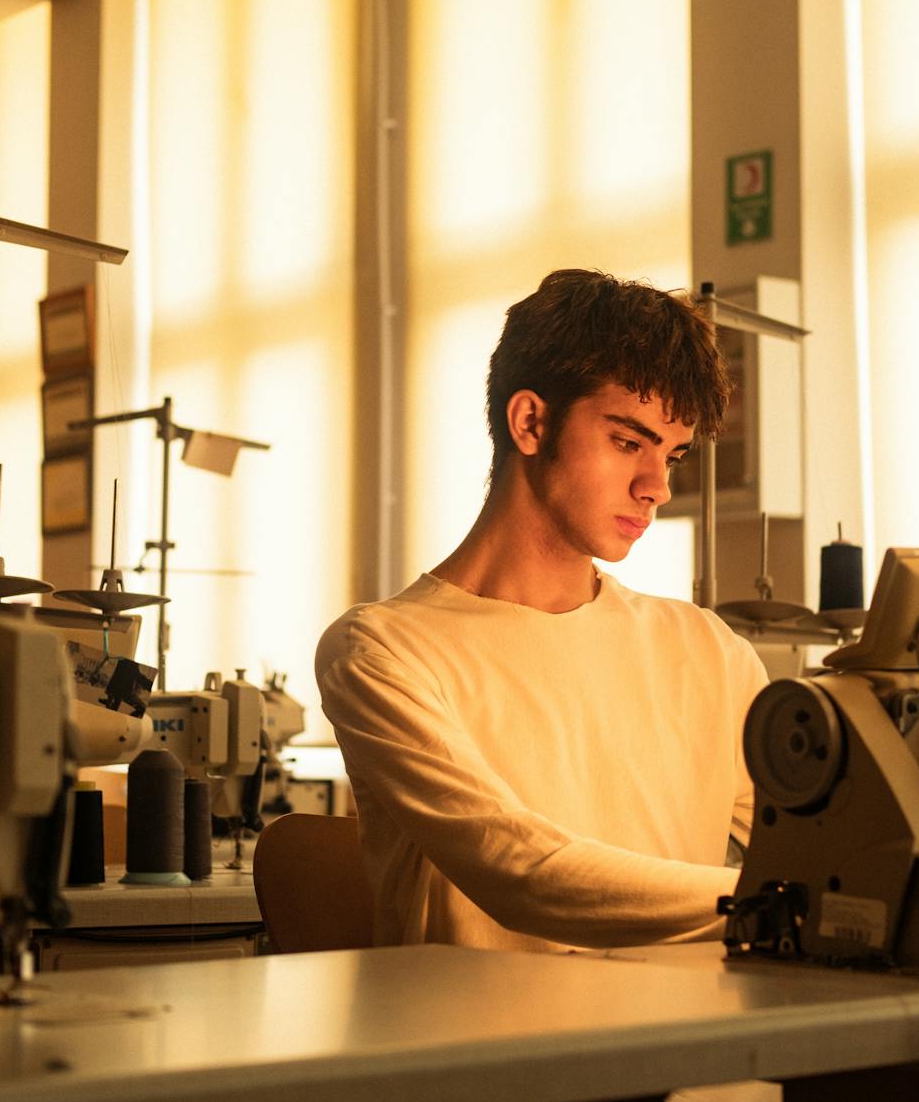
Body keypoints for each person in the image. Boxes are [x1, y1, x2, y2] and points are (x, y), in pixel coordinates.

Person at [315, 269, 764, 951]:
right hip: (497, 1051)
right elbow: (523, 873)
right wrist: (781, 903)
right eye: (627, 441)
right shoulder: (383, 650)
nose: (658, 486)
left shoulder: (708, 648)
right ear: (530, 421)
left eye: (672, 453)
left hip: (699, 1048)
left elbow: (827, 853)